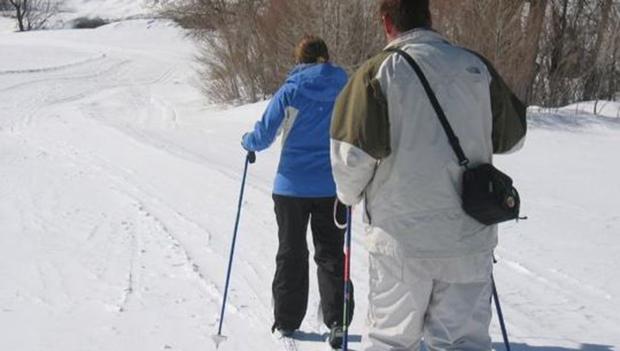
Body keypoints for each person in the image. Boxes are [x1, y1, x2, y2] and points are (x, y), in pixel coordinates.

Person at [330, 0, 527, 350]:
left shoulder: (378, 72)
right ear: (429, 18)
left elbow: (351, 158)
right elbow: (513, 138)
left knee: (391, 341)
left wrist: (347, 197)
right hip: (470, 235)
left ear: (386, 22)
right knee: (462, 342)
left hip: (401, 240)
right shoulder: (475, 66)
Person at [241, 35, 353, 348]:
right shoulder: (346, 89)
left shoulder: (291, 90)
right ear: (327, 57)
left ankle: (287, 321)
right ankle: (337, 321)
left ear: (299, 60)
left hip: (290, 187)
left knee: (291, 252)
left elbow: (263, 136)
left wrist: (247, 141)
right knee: (330, 253)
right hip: (332, 187)